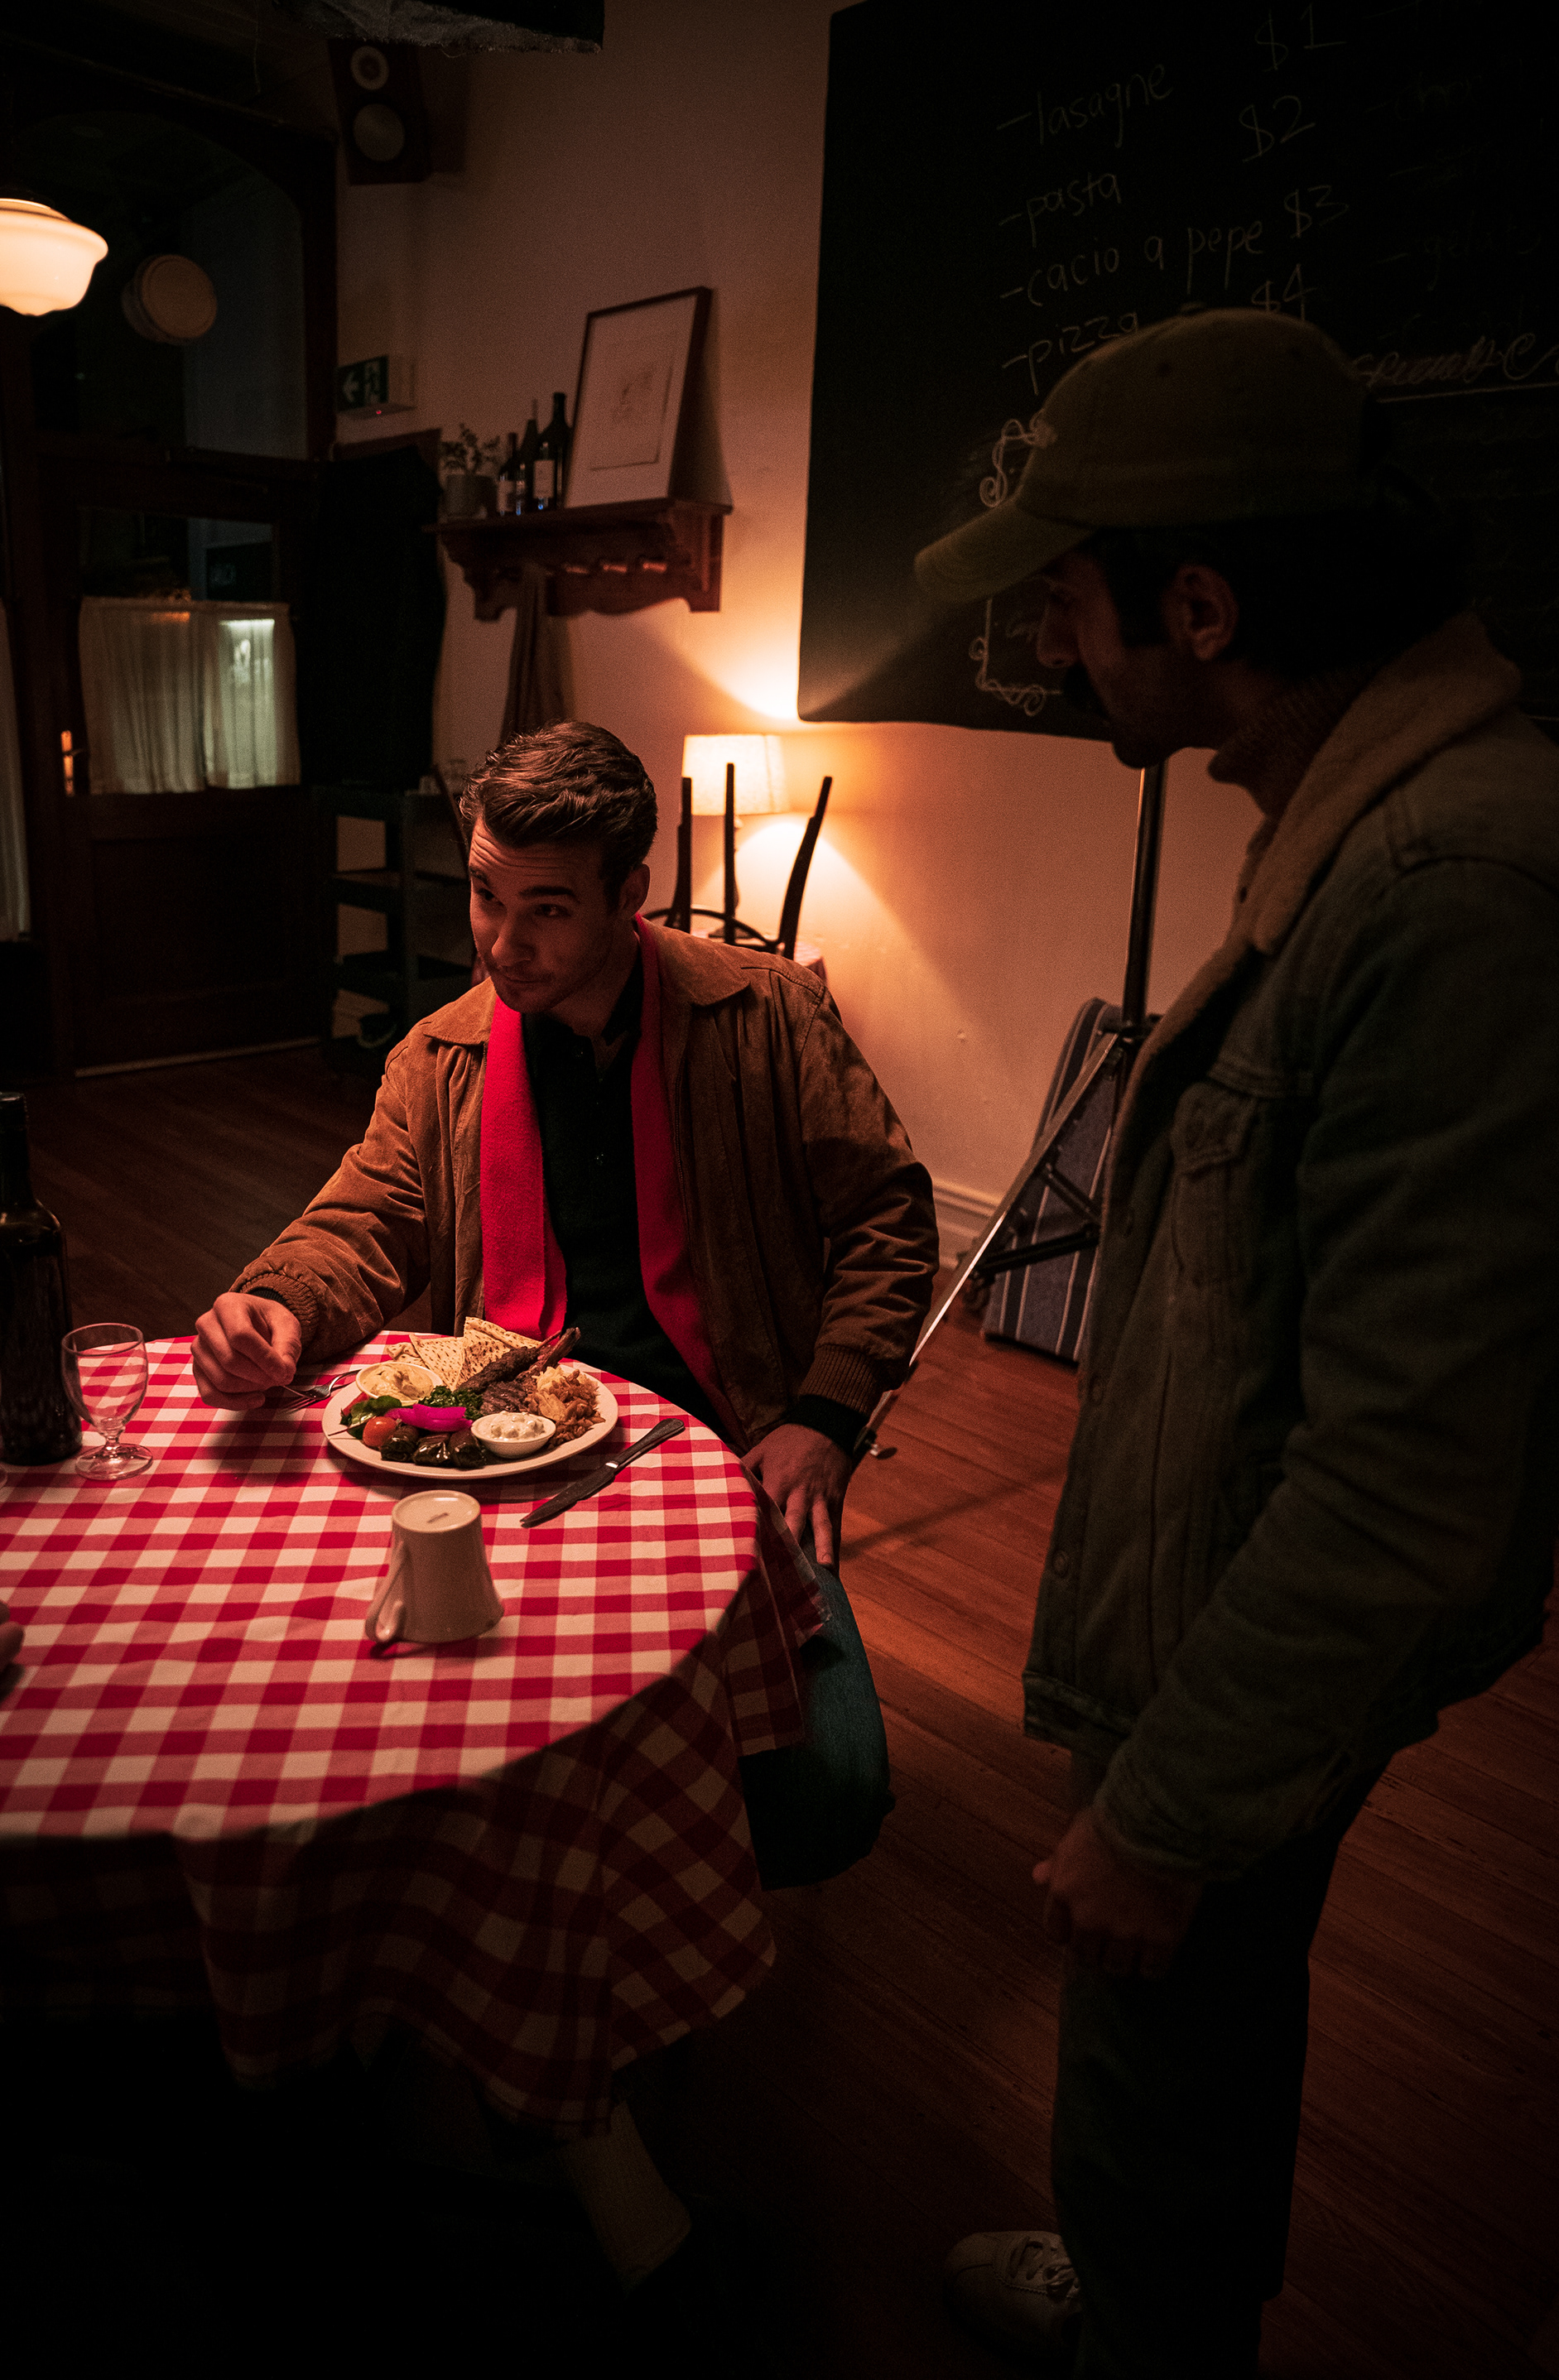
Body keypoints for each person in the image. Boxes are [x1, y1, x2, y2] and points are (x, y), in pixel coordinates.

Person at [913, 309, 1559, 2375]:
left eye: (1069, 597)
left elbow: (1403, 1472)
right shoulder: (1370, 810)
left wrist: (1164, 1809)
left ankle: (1156, 2323)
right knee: (1188, 2027)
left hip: (1246, 1639)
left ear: (1201, 609)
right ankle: (1147, 2278)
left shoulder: (1455, 876)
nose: (1047, 641)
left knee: (1171, 2000)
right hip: (1220, 1587)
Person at [191, 719, 938, 2301]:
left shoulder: (767, 1017)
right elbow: (362, 1220)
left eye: (546, 909)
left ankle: (621, 1989)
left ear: (628, 897)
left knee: (830, 1794)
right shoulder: (443, 1051)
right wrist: (274, 1305)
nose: (502, 943)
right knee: (431, 1750)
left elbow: (886, 1217)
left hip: (723, 1448)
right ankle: (499, 2013)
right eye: (484, 895)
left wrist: (820, 1417)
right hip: (501, 1454)